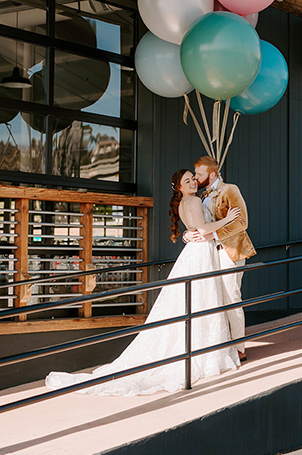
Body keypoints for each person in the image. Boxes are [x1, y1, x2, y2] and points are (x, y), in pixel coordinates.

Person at [45, 169, 241, 396]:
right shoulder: (195, 201)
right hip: (200, 253)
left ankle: (199, 348)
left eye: (193, 179)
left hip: (192, 252)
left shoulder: (181, 205)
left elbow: (194, 230)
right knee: (202, 299)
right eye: (186, 181)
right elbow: (204, 228)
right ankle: (205, 352)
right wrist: (227, 219)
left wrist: (194, 234)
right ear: (178, 187)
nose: (192, 183)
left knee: (194, 300)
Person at [184, 156, 256, 362]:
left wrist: (212, 235)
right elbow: (199, 222)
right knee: (214, 298)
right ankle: (222, 345)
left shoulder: (230, 190)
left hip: (229, 251)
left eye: (199, 174)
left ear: (212, 174)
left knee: (231, 297)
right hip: (208, 253)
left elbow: (242, 222)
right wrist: (187, 235)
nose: (196, 178)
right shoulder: (201, 194)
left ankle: (239, 347)